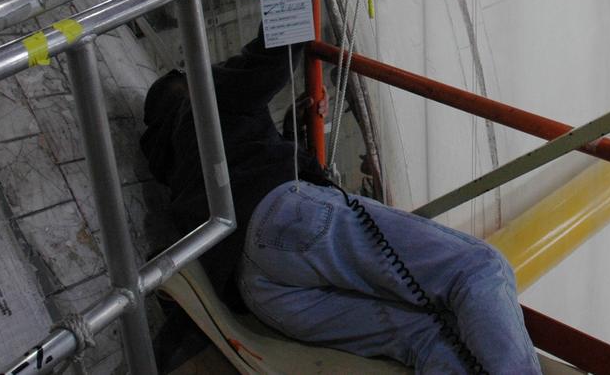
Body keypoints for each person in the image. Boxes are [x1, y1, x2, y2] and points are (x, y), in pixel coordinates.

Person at [140, 29, 541, 374]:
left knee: (425, 336)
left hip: (263, 292)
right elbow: (268, 61)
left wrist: (290, 132)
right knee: (476, 268)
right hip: (285, 225)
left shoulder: (179, 171)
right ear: (187, 86)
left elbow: (248, 184)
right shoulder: (205, 101)